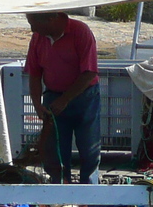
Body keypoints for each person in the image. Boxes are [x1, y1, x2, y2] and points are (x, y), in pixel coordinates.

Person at [25, 12, 100, 183]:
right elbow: (35, 74)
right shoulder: (38, 38)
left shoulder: (80, 31)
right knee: (55, 150)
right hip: (52, 95)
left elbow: (89, 72)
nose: (32, 29)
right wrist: (37, 104)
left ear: (51, 19)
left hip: (84, 96)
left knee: (89, 148)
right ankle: (59, 188)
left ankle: (90, 194)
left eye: (34, 23)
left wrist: (65, 99)